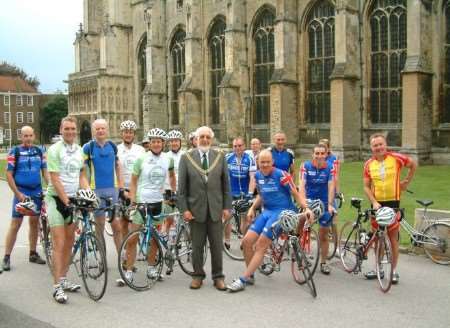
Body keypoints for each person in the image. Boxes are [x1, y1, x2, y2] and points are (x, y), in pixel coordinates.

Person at [227, 150, 313, 292]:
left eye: (268, 162)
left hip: (282, 212)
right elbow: (261, 195)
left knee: (261, 244)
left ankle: (242, 279)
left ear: (272, 162)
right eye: (262, 162)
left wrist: (306, 209)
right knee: (247, 242)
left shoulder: (281, 175)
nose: (265, 164)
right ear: (258, 163)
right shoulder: (258, 176)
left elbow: (296, 194)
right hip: (267, 212)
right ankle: (250, 275)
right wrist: (252, 208)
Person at [177, 126, 232, 291]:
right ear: (196, 139)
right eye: (202, 137)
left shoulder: (220, 157)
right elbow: (182, 189)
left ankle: (218, 277)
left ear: (212, 139)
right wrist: (184, 209)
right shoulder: (186, 158)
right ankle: (197, 275)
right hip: (195, 210)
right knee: (197, 246)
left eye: (208, 137)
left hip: (215, 208)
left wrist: (226, 206)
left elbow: (226, 185)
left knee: (216, 246)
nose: (205, 140)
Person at [45, 116, 90, 303]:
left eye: (73, 129)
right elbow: (54, 178)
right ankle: (57, 287)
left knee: (70, 242)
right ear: (61, 130)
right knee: (60, 242)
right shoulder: (54, 150)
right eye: (67, 129)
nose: (70, 132)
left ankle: (63, 278)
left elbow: (82, 175)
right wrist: (66, 200)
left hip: (72, 199)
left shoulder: (80, 150)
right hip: (56, 199)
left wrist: (89, 194)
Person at [363, 133, 416, 284]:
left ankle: (393, 270)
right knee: (377, 238)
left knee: (393, 238)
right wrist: (373, 201)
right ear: (371, 147)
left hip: (393, 203)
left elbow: (413, 164)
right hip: (377, 204)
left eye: (380, 144)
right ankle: (378, 268)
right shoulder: (368, 164)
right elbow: (366, 187)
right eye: (375, 145)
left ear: (385, 145)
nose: (378, 147)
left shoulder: (396, 158)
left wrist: (406, 181)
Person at [125, 128, 176, 281]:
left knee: (154, 238)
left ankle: (151, 267)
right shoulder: (142, 159)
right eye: (153, 141)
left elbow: (172, 177)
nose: (156, 144)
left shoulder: (168, 159)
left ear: (163, 143)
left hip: (157, 202)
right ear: (150, 143)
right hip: (142, 201)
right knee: (132, 238)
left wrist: (173, 192)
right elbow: (133, 181)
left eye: (158, 142)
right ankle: (128, 269)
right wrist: (133, 200)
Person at [2, 126, 48, 271]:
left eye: (30, 135)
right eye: (25, 136)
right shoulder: (14, 151)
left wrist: (49, 188)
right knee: (15, 224)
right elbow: (9, 175)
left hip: (36, 191)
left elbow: (45, 172)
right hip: (21, 191)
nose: (28, 138)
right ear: (21, 137)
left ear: (34, 136)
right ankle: (6, 257)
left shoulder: (40, 151)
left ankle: (33, 253)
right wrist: (18, 194)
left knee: (34, 222)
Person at [82, 119, 124, 258]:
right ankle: (102, 259)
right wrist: (87, 189)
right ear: (93, 131)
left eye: (103, 128)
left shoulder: (112, 146)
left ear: (107, 130)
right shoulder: (88, 147)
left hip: (112, 190)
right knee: (99, 226)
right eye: (97, 129)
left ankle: (121, 258)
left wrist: (121, 186)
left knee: (116, 226)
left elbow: (118, 167)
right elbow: (82, 171)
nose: (100, 131)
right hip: (96, 191)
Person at [299, 144, 336, 275]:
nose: (319, 156)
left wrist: (330, 204)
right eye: (317, 153)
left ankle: (323, 262)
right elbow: (302, 186)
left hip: (324, 204)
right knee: (301, 223)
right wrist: (305, 205)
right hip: (309, 202)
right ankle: (298, 250)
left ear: (326, 155)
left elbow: (331, 186)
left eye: (322, 153)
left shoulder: (330, 167)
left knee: (324, 236)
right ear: (313, 154)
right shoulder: (306, 166)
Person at [116, 120, 145, 285]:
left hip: (136, 192)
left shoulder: (140, 150)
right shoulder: (117, 149)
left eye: (131, 132)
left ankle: (128, 265)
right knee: (122, 228)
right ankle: (127, 259)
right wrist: (122, 191)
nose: (128, 134)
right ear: (122, 134)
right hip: (121, 191)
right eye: (125, 132)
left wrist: (134, 193)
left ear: (134, 134)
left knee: (134, 230)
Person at [224, 137, 256, 248]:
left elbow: (252, 178)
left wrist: (250, 194)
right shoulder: (227, 158)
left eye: (240, 146)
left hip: (244, 193)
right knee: (227, 216)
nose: (237, 148)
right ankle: (227, 241)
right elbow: (223, 176)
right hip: (231, 193)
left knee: (245, 218)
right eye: (235, 146)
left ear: (244, 146)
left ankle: (244, 240)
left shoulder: (250, 159)